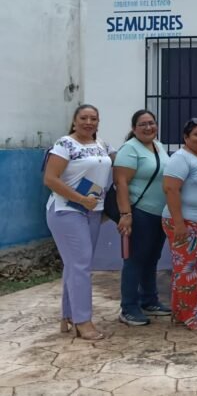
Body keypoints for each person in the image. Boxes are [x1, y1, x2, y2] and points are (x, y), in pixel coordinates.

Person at [43, 104, 115, 340]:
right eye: (83, 118)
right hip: (67, 211)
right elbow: (50, 179)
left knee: (76, 265)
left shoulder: (102, 145)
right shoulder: (65, 144)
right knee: (81, 266)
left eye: (93, 118)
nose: (88, 122)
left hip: (92, 212)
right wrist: (81, 199)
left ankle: (69, 315)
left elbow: (119, 165)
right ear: (74, 121)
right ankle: (83, 321)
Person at [161, 117, 197, 335]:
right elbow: (170, 190)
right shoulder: (180, 158)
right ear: (186, 137)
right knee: (191, 272)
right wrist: (179, 224)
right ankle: (194, 318)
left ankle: (180, 313)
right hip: (184, 223)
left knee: (185, 270)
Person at [113, 109, 171, 327]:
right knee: (135, 260)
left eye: (152, 123)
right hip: (139, 212)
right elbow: (121, 183)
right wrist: (126, 214)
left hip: (159, 214)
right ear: (134, 128)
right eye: (143, 124)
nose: (148, 127)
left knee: (151, 258)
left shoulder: (159, 146)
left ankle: (149, 300)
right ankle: (128, 308)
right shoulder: (130, 149)